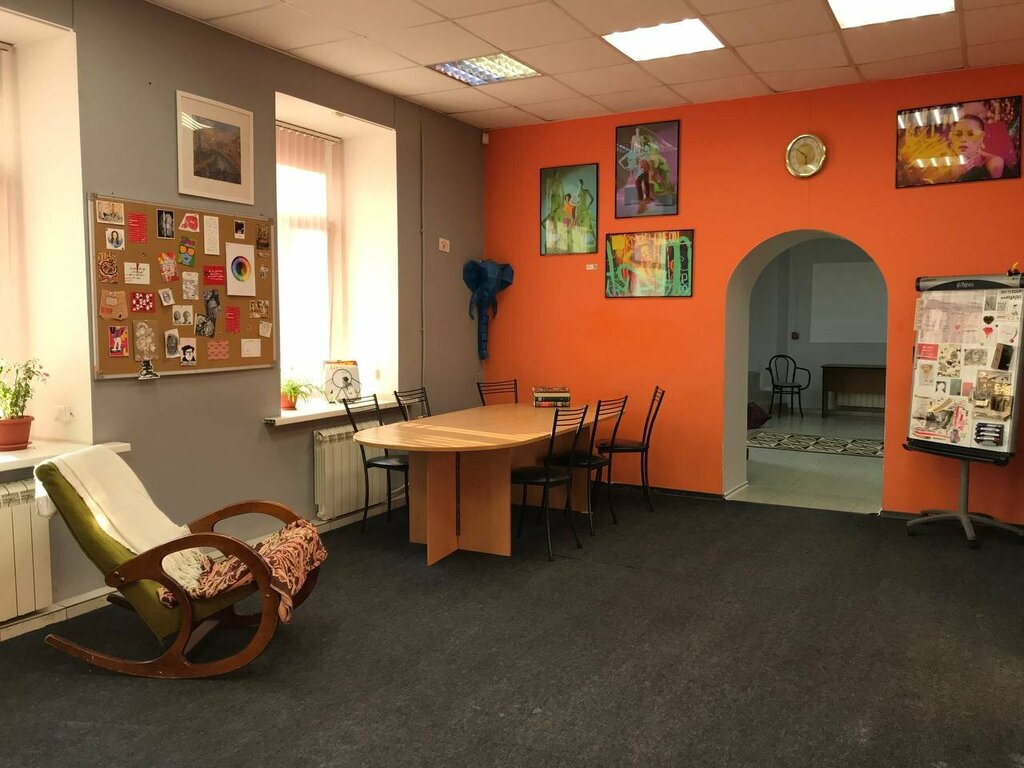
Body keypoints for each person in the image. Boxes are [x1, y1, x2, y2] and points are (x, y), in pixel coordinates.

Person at [950, 114, 1005, 182]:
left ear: (981, 138)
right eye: (958, 134)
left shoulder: (994, 163)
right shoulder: (945, 165)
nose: (963, 139)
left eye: (970, 134)